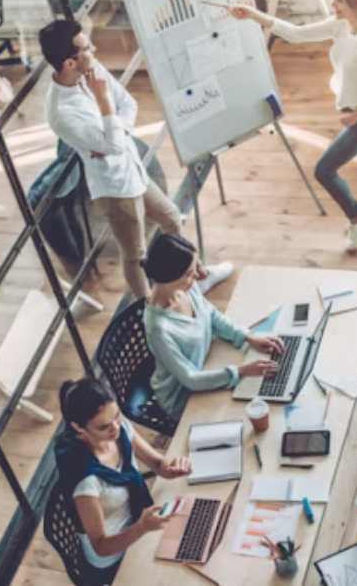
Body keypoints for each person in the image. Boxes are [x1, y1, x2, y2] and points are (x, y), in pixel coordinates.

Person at [39, 20, 232, 297]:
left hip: (133, 170)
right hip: (115, 189)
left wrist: (116, 131)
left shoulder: (90, 69)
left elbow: (128, 104)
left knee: (172, 219)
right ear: (70, 63)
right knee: (135, 255)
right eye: (86, 47)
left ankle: (195, 274)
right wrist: (105, 103)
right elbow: (114, 144)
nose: (93, 49)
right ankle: (148, 309)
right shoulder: (62, 113)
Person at [230, 0, 357, 251]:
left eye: (340, 0)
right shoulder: (341, 25)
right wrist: (253, 15)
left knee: (324, 170)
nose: (334, 5)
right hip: (356, 110)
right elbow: (295, 34)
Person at [52, 378, 191, 582]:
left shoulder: (118, 426)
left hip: (140, 524)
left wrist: (173, 468)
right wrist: (142, 527)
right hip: (115, 556)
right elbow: (101, 546)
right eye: (103, 427)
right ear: (78, 427)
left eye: (117, 416)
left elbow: (158, 464)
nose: (116, 428)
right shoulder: (85, 480)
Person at [142, 234, 284, 419]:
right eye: (189, 273)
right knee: (248, 411)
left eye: (196, 267)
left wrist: (248, 336)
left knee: (266, 395)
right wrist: (241, 371)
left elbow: (212, 316)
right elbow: (190, 379)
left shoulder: (185, 288)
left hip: (209, 363)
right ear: (170, 276)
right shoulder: (158, 329)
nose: (199, 275)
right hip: (184, 397)